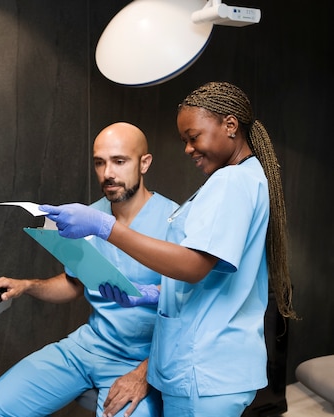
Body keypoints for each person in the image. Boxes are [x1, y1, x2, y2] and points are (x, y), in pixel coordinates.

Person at [40, 81, 297, 417]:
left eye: (194, 137)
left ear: (230, 125)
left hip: (204, 367)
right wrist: (150, 293)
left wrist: (105, 226)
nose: (188, 149)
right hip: (210, 366)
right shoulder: (243, 177)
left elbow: (193, 265)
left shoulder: (232, 182)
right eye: (184, 141)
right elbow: (214, 274)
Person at [0, 122, 178, 417]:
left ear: (144, 163)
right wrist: (26, 285)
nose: (108, 173)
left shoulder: (174, 221)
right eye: (100, 162)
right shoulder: (88, 217)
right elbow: (73, 283)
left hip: (142, 358)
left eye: (119, 161)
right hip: (89, 345)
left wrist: (145, 374)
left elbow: (187, 312)